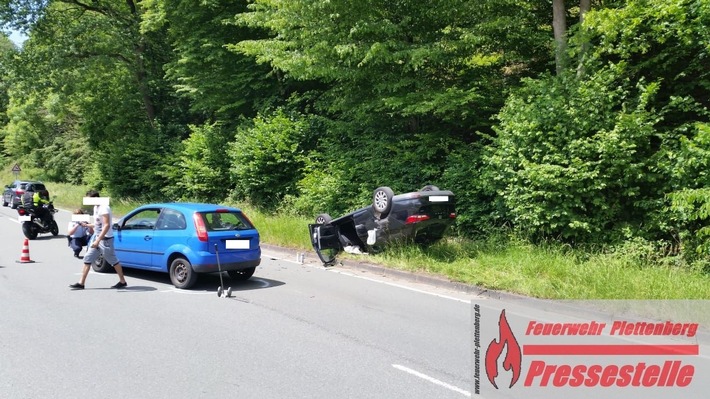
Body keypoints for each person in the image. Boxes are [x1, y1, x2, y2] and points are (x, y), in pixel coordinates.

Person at [69, 190, 128, 290]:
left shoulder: (104, 208)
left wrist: (98, 240)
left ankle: (122, 281)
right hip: (97, 238)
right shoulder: (96, 207)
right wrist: (87, 225)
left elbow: (106, 225)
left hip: (105, 240)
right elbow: (98, 224)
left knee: (113, 261)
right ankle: (81, 283)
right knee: (87, 259)